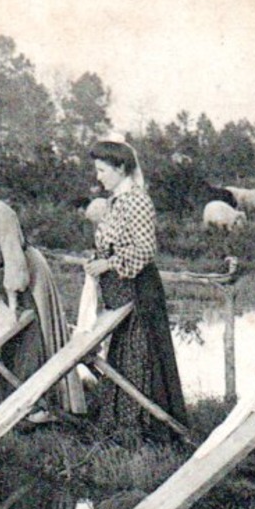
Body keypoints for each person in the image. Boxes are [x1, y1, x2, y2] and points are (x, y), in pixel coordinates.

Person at [0, 162, 86, 417]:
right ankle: (14, 400)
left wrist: (13, 306)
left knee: (35, 335)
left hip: (29, 274)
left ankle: (41, 404)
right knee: (11, 341)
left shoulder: (1, 212)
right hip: (5, 279)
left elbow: (14, 259)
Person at [84, 138, 188, 441]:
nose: (98, 176)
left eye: (103, 170)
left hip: (139, 291)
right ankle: (123, 426)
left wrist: (108, 264)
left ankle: (147, 431)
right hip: (121, 292)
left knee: (141, 357)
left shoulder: (137, 200)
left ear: (120, 168)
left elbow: (145, 251)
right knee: (124, 355)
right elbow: (114, 242)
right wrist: (99, 259)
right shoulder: (118, 200)